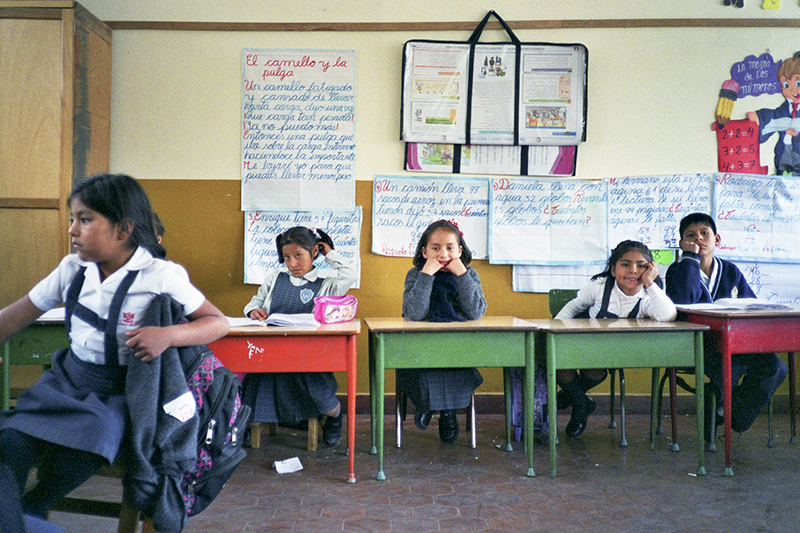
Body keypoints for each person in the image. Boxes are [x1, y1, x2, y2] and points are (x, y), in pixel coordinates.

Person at [0, 173, 229, 532]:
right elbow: (16, 315)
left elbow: (217, 323)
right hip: (66, 382)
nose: (73, 230)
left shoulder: (160, 275)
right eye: (72, 219)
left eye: (85, 219)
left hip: (119, 393)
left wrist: (168, 334)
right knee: (10, 442)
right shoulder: (71, 269)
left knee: (91, 442)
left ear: (123, 230)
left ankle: (29, 509)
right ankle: (13, 520)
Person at [665, 212, 788, 441]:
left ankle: (726, 414)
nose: (698, 239)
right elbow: (683, 297)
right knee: (730, 366)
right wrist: (690, 259)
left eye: (704, 233)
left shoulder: (730, 271)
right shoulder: (677, 270)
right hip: (699, 345)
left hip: (736, 342)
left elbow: (749, 304)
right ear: (682, 243)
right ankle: (718, 404)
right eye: (690, 236)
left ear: (717, 239)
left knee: (775, 366)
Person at [242, 226, 357, 446]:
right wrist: (252, 311)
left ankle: (334, 418)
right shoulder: (275, 278)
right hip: (272, 355)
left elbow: (350, 274)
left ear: (314, 252)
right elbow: (255, 301)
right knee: (254, 394)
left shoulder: (327, 284)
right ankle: (246, 426)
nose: (292, 263)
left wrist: (329, 253)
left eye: (298, 256)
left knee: (322, 397)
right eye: (287, 257)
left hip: (308, 358)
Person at [554, 240, 677, 438]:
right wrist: (556, 332)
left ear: (650, 269)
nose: (633, 270)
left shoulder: (647, 297)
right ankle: (580, 402)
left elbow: (668, 315)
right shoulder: (599, 287)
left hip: (618, 354)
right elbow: (572, 307)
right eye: (625, 264)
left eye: (641, 266)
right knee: (557, 362)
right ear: (613, 269)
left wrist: (650, 283)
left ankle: (573, 398)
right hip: (586, 346)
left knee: (596, 367)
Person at [399, 220, 487, 443]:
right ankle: (437, 408)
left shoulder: (470, 274)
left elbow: (476, 312)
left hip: (458, 346)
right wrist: (427, 275)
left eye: (450, 247)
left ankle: (440, 409)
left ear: (460, 250)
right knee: (423, 365)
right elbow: (414, 314)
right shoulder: (415, 274)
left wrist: (462, 275)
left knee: (453, 363)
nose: (443, 253)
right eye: (435, 248)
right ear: (424, 251)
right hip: (423, 346)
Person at [747, 52, 800, 175]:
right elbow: (774, 116)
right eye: (786, 84)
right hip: (784, 156)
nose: (792, 89)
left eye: (798, 83)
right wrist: (759, 117)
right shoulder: (784, 109)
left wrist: (796, 135)